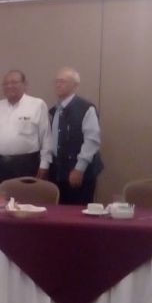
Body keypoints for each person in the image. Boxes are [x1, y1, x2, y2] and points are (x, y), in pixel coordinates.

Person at [49, 67, 103, 205]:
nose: (58, 85)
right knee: (58, 211)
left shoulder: (86, 108)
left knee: (77, 212)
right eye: (56, 81)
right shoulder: (54, 110)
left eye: (63, 81)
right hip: (58, 171)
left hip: (79, 172)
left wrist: (79, 168)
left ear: (75, 85)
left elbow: (92, 141)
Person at [0, 69, 51, 189]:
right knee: (2, 198)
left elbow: (46, 136)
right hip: (0, 165)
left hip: (26, 164)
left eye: (14, 82)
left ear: (25, 84)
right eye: (6, 84)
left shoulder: (37, 104)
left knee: (26, 198)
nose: (9, 86)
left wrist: (44, 164)